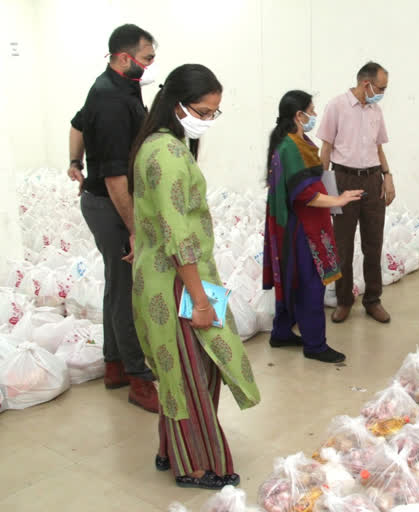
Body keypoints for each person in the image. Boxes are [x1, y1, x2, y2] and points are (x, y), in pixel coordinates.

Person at [129, 63, 260, 490]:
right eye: (202, 112)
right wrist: (200, 299)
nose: (206, 122)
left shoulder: (157, 143)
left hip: (174, 275)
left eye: (212, 114)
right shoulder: (166, 154)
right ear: (176, 105)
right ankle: (197, 465)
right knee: (190, 376)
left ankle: (172, 450)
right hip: (179, 282)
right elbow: (176, 232)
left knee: (181, 371)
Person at [67, 24, 159, 411]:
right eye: (147, 58)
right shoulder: (109, 99)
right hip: (111, 204)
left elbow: (76, 123)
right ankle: (138, 380)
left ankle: (114, 364)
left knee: (117, 284)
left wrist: (74, 161)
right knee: (127, 289)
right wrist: (135, 230)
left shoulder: (120, 86)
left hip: (108, 200)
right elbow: (117, 178)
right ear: (124, 57)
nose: (150, 65)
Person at [264, 90, 363, 364]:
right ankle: (315, 345)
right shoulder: (290, 146)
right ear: (299, 115)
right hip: (302, 228)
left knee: (293, 279)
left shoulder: (298, 141)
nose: (315, 115)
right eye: (312, 110)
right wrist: (339, 199)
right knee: (309, 284)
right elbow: (304, 194)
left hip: (303, 224)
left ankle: (282, 333)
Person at [317, 61, 396, 324]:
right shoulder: (336, 106)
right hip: (343, 180)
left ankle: (373, 299)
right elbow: (326, 149)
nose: (382, 92)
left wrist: (388, 177)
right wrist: (323, 190)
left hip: (372, 180)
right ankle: (343, 301)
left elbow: (379, 147)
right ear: (366, 83)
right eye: (381, 87)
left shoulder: (376, 110)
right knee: (342, 246)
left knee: (374, 243)